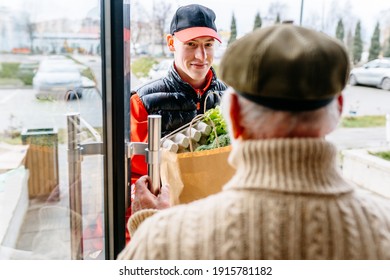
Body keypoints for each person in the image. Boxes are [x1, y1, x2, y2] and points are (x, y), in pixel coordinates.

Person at [119, 24, 390, 259]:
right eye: (191, 44)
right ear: (339, 108)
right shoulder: (381, 228)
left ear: (233, 114)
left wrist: (150, 227)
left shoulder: (165, 239)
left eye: (207, 44)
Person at [126, 4, 227, 241]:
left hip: (218, 225)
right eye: (191, 44)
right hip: (169, 228)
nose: (201, 56)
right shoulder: (143, 102)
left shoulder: (231, 99)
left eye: (208, 45)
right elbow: (135, 182)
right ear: (171, 43)